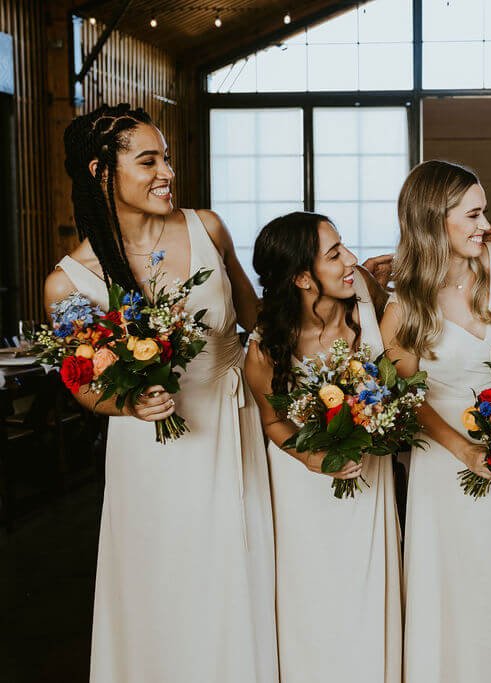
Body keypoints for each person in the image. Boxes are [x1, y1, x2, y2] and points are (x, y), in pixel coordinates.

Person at [43, 103, 277, 682]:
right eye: (148, 160)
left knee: (240, 574)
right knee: (166, 583)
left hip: (231, 429)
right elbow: (83, 384)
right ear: (102, 172)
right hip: (153, 450)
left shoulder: (207, 228)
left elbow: (260, 321)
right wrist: (127, 401)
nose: (166, 172)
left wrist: (348, 291)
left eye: (167, 158)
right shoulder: (67, 281)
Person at [380, 160, 491, 683]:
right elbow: (406, 396)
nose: (483, 223)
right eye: (471, 214)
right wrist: (464, 449)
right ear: (433, 220)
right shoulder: (404, 303)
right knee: (446, 576)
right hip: (443, 457)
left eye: (484, 211)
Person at [245, 212, 402, 682]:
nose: (349, 259)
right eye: (334, 254)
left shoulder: (368, 303)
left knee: (368, 589)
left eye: (344, 247)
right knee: (311, 598)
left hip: (369, 481)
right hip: (304, 492)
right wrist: (315, 458)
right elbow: (272, 421)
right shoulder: (267, 345)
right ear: (299, 277)